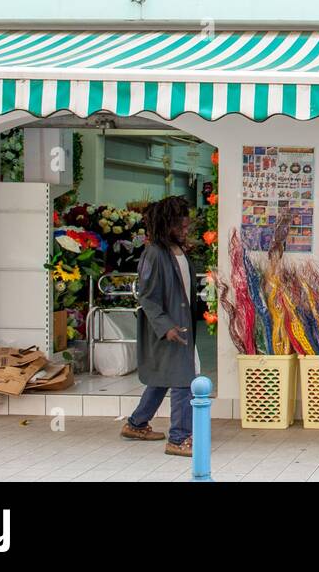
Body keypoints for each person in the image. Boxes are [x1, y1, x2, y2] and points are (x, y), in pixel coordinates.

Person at [120, 195, 199, 457]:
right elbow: (147, 296)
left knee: (162, 379)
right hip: (167, 329)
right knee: (183, 380)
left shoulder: (176, 251)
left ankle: (136, 424)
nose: (185, 230)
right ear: (167, 225)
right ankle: (178, 438)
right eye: (181, 226)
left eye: (187, 226)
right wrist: (166, 327)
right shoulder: (154, 253)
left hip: (180, 325)